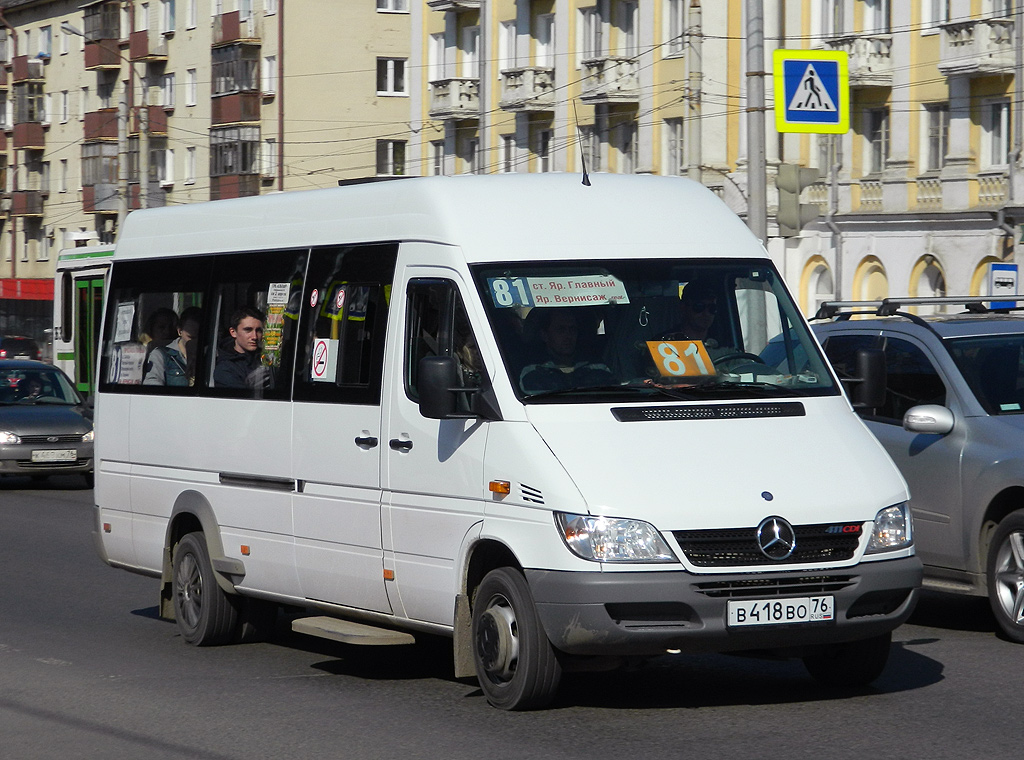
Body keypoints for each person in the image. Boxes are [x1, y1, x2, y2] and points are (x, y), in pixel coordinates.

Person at [519, 309, 613, 393]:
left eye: (572, 329)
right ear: (545, 335)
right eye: (561, 330)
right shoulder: (532, 374)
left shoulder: (599, 370)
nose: (568, 336)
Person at [144, 306, 202, 387]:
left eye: (200, 337)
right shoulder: (161, 355)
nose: (196, 341)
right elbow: (152, 385)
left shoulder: (211, 355)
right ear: (179, 331)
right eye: (191, 337)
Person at [214, 307, 271, 389]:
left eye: (259, 330)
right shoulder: (226, 368)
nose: (254, 336)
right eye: (248, 330)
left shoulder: (267, 358)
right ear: (233, 332)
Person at [662, 279, 718, 343]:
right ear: (683, 307)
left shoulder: (726, 342)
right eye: (699, 307)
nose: (707, 313)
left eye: (712, 308)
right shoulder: (664, 343)